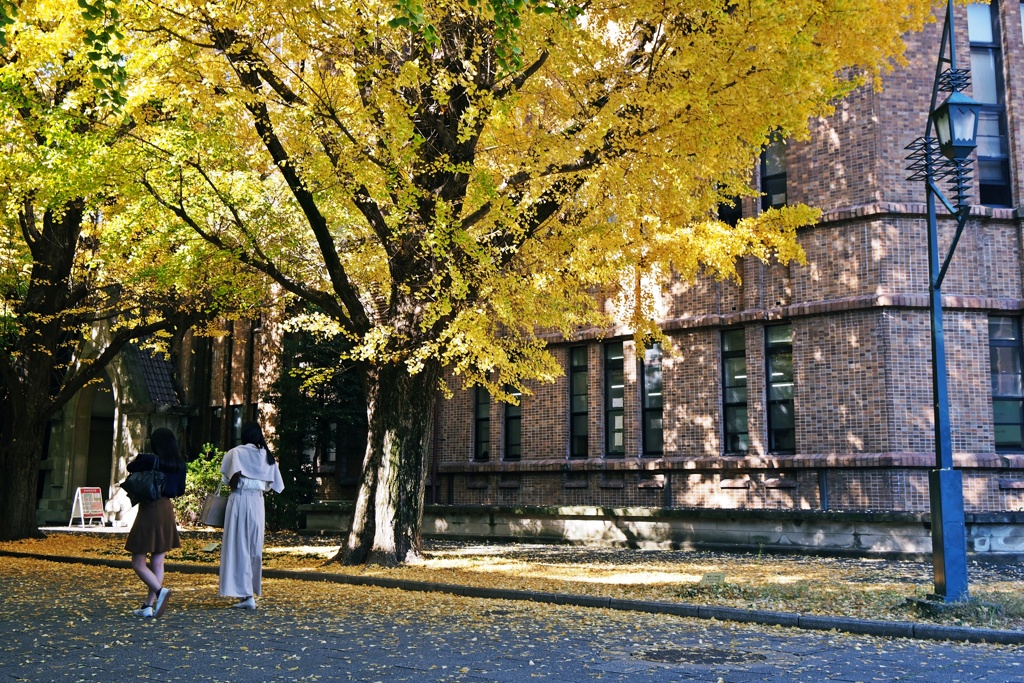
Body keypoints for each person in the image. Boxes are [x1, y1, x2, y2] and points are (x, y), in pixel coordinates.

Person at [219, 421, 284, 609]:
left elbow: (226, 480)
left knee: (238, 545)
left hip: (239, 500)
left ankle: (246, 594)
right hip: (257, 502)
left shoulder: (235, 453)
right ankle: (249, 593)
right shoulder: (267, 457)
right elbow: (275, 486)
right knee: (254, 547)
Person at [124, 427, 186, 619]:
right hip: (167, 510)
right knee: (158, 561)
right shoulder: (180, 464)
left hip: (150, 508)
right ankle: (148, 606)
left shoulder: (151, 460)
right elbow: (180, 490)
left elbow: (130, 468)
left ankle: (160, 592)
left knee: (138, 561)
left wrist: (144, 457)